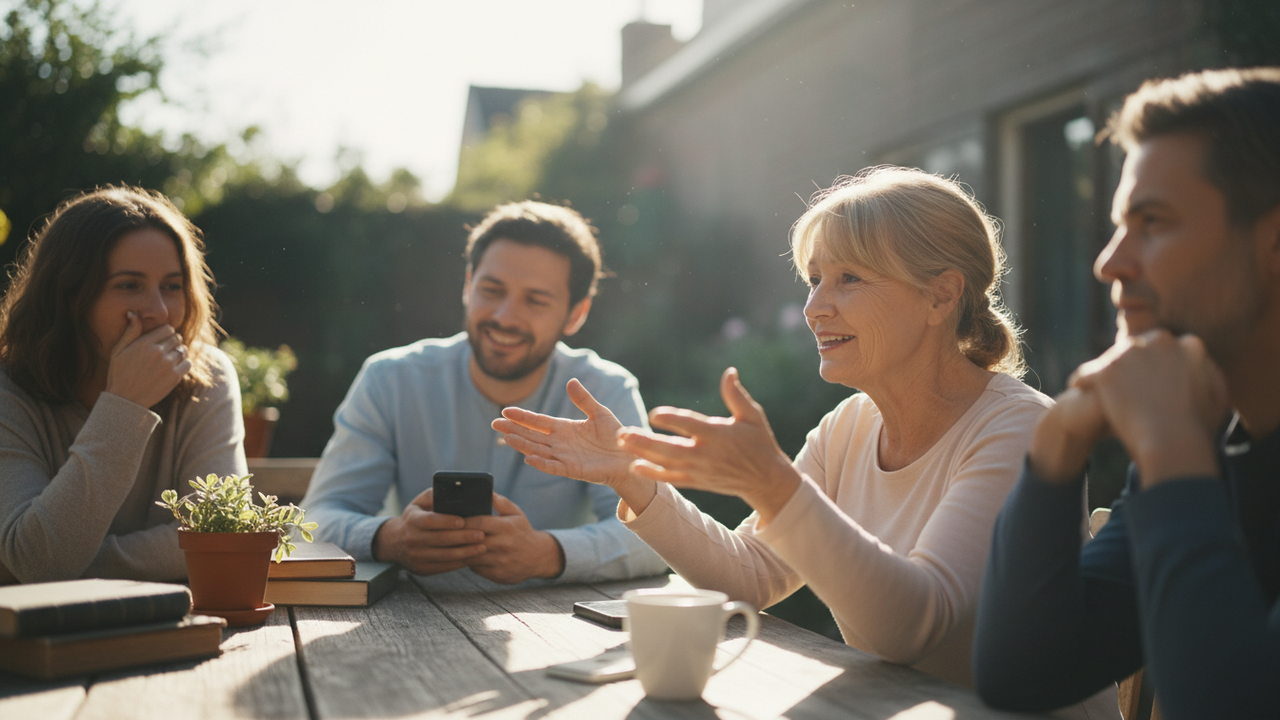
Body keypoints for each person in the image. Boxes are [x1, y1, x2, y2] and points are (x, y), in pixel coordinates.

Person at [494, 167, 1115, 716]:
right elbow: (747, 577)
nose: (815, 306)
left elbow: (910, 627)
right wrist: (632, 478)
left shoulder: (1020, 430)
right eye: (814, 279)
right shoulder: (850, 426)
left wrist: (774, 486)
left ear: (940, 295)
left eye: (849, 279)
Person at [973, 68, 1280, 719]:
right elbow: (1022, 673)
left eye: (1154, 222)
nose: (1109, 262)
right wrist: (1059, 440)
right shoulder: (1209, 443)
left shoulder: (1182, 447)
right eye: (1119, 225)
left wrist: (1170, 450)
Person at [302, 201, 666, 585]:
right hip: (406, 614)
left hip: (555, 620)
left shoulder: (606, 393)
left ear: (576, 314)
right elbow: (313, 520)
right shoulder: (389, 380)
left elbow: (658, 537)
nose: (505, 317)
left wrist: (546, 553)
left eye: (535, 300)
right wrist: (389, 538)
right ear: (468, 286)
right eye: (492, 290)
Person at [0, 186, 247, 584]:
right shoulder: (8, 391)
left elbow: (221, 536)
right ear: (68, 296)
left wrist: (65, 565)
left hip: (178, 618)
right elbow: (38, 561)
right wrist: (124, 405)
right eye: (129, 285)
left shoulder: (209, 377)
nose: (159, 312)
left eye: (172, 286)